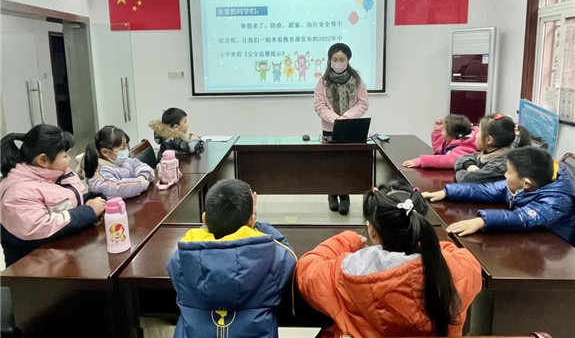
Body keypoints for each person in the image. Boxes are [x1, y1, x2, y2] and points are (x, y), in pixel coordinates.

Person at [296, 180, 482, 337]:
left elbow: (306, 270)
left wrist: (345, 240)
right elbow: (458, 255)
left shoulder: (346, 273)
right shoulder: (457, 268)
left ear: (372, 231)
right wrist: (428, 246)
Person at [166, 179, 296, 338]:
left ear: (204, 219)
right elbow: (289, 252)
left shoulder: (182, 258)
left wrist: (212, 225)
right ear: (251, 220)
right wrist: (257, 225)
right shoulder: (274, 259)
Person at [421, 146, 575, 245]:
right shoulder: (530, 181)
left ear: (526, 183)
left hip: (553, 248)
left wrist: (482, 221)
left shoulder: (557, 200)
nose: (505, 175)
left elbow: (522, 218)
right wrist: (448, 192)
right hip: (531, 237)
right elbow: (487, 190)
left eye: (509, 172)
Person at [0, 124, 106, 266]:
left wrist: (93, 198)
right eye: (65, 155)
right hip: (34, 269)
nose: (69, 159)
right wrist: (89, 211)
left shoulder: (50, 174)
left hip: (62, 257)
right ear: (43, 160)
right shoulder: (17, 192)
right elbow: (41, 227)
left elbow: (65, 204)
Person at [314, 43, 369, 215]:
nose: (338, 63)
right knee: (331, 163)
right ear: (330, 60)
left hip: (350, 127)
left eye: (342, 59)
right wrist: (335, 119)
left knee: (346, 163)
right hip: (330, 128)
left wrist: (347, 117)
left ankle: (345, 196)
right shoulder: (323, 82)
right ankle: (332, 194)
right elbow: (319, 105)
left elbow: (363, 103)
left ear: (348, 60)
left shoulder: (357, 80)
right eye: (335, 59)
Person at [78, 125, 154, 199]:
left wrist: (142, 176)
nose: (126, 151)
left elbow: (141, 165)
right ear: (105, 152)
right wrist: (140, 183)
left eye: (126, 146)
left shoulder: (123, 161)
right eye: (122, 148)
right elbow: (116, 188)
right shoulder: (100, 173)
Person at [453, 113, 531, 183]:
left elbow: (466, 179)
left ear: (489, 140)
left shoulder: (500, 165)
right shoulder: (488, 152)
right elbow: (460, 159)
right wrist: (469, 165)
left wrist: (460, 171)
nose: (475, 136)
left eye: (479, 132)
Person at [402, 114, 478, 169]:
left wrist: (421, 161)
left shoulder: (466, 146)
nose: (441, 130)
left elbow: (449, 160)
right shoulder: (454, 140)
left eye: (443, 129)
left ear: (451, 135)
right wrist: (437, 130)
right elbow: (438, 148)